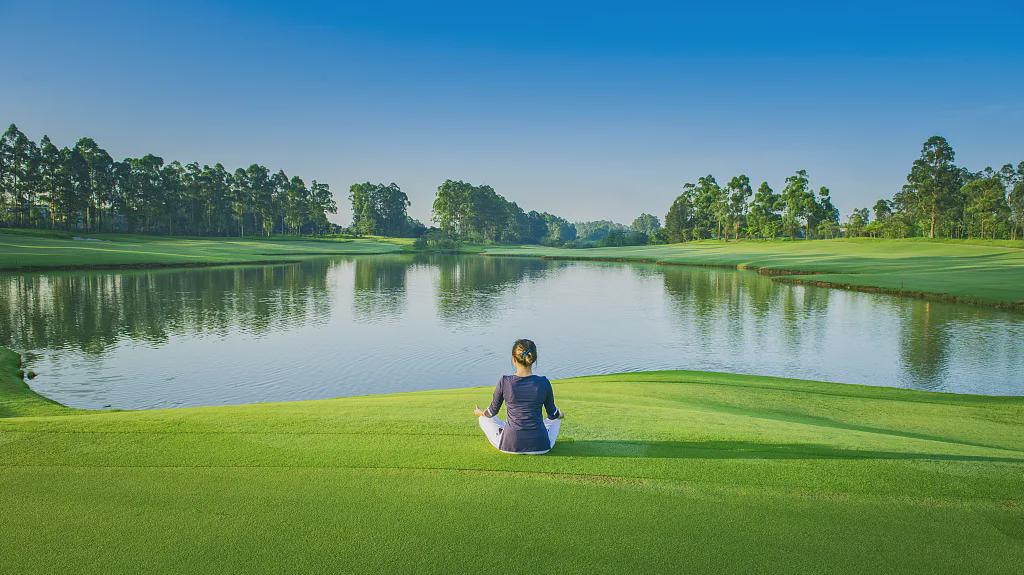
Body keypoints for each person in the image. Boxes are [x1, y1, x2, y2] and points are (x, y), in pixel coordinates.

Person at [474, 339, 564, 454]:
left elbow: (492, 412)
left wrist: (480, 412)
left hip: (509, 445)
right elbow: (552, 414)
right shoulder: (544, 382)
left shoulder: (504, 381)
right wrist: (560, 415)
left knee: (483, 418)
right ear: (534, 359)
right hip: (541, 446)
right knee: (556, 418)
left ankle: (505, 431)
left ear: (513, 359)